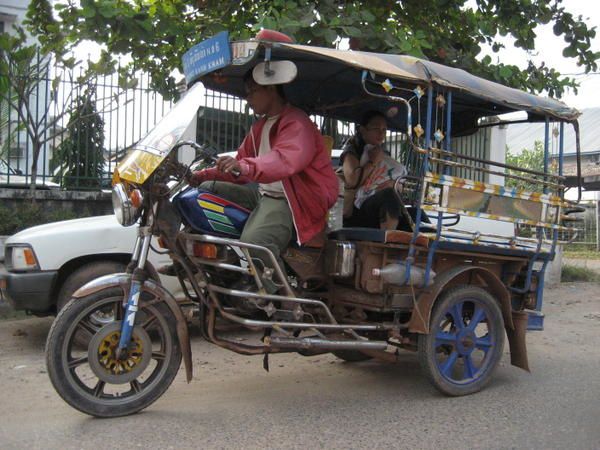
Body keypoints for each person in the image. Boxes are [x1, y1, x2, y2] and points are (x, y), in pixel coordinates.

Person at [189, 69, 339, 290]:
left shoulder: (297, 123)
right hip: (265, 193)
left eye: (252, 92)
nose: (248, 99)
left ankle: (280, 300)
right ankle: (217, 269)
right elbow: (240, 164)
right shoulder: (260, 127)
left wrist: (245, 166)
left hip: (293, 199)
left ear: (271, 89)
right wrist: (199, 176)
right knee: (204, 190)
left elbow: (284, 160)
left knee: (255, 242)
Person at [341, 110, 407, 230]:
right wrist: (372, 162)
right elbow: (352, 180)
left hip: (378, 208)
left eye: (384, 130)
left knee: (414, 213)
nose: (381, 133)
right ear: (363, 130)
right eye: (376, 128)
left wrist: (396, 185)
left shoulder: (383, 152)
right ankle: (387, 240)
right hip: (356, 212)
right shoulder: (352, 150)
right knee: (388, 195)